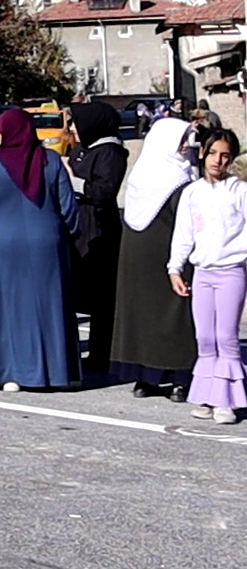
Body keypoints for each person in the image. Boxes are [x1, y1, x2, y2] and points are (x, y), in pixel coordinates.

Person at [0, 108, 80, 392]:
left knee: (6, 306)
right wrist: (70, 233)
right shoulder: (52, 161)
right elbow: (68, 207)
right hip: (46, 239)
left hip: (1, 243)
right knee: (50, 305)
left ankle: (9, 372)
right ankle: (55, 372)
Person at [111, 118, 197, 401]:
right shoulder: (179, 179)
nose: (187, 145)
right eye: (181, 139)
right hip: (162, 254)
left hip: (144, 255)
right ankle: (168, 377)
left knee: (156, 315)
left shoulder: (142, 175)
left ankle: (155, 378)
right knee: (168, 314)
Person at [168, 128, 247, 425]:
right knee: (205, 337)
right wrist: (175, 267)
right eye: (213, 153)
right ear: (202, 153)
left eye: (225, 155)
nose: (218, 160)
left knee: (226, 337)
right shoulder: (192, 192)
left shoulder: (239, 191)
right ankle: (206, 395)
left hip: (230, 273)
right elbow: (183, 234)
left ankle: (226, 400)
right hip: (202, 273)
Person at [66, 102, 128, 373]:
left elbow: (105, 190)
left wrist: (73, 182)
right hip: (78, 225)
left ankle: (102, 354)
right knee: (74, 289)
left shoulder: (111, 152)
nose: (71, 129)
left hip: (99, 227)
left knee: (101, 296)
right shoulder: (82, 148)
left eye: (75, 123)